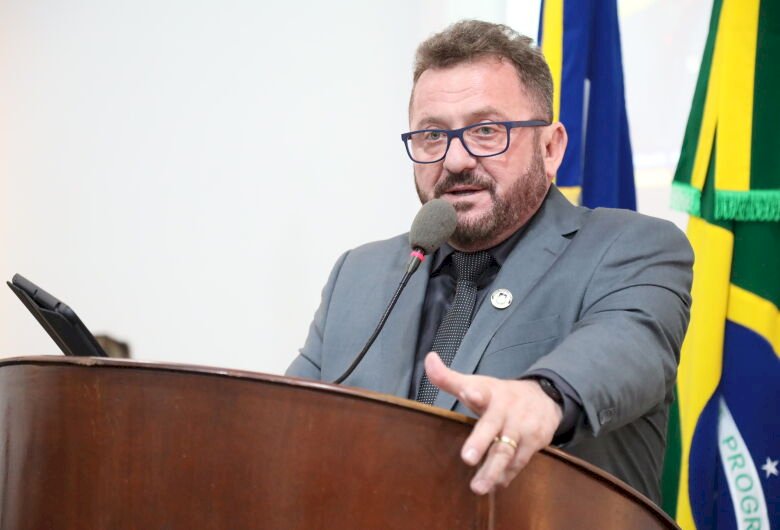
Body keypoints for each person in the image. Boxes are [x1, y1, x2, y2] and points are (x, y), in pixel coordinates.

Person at [286, 19, 693, 505]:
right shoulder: (359, 274)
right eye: (432, 135)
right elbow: (285, 426)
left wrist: (543, 395)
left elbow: (627, 343)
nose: (455, 160)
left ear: (550, 148)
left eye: (485, 130)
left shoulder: (632, 248)